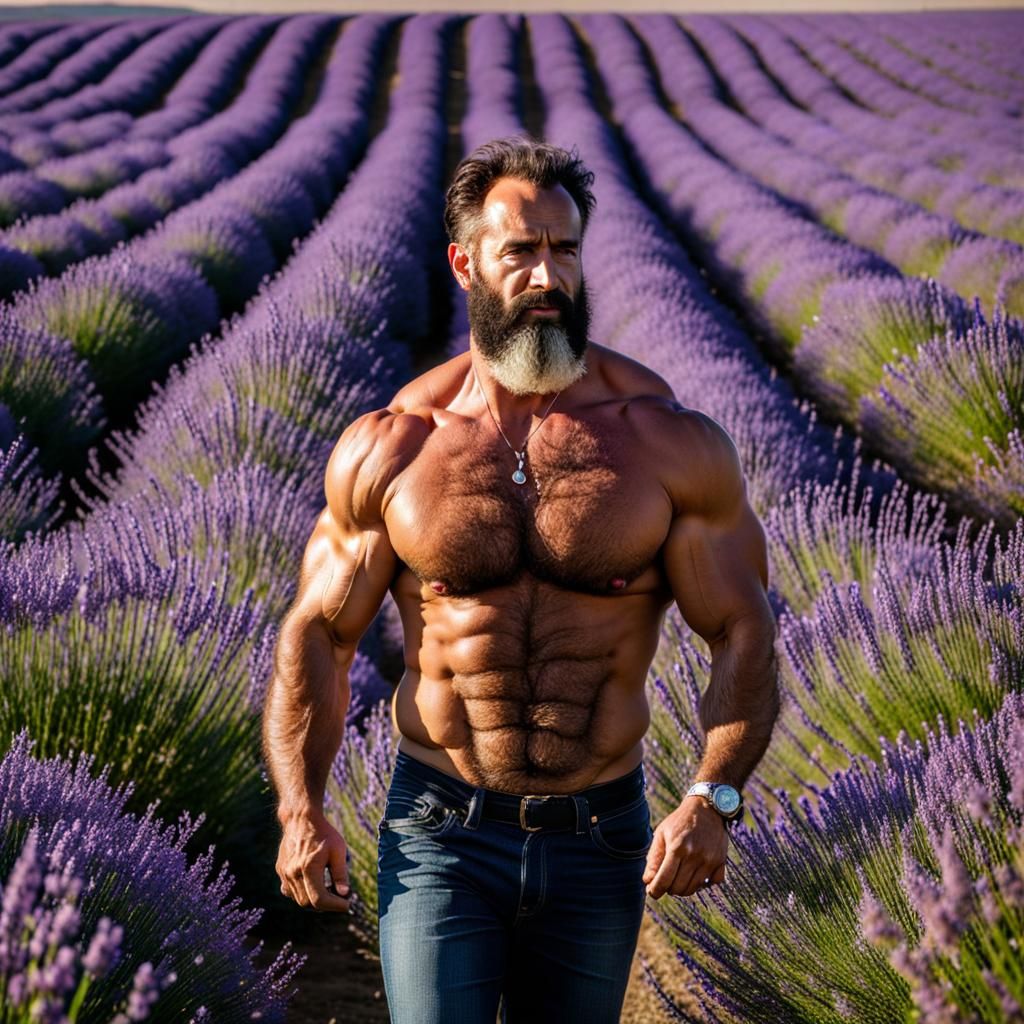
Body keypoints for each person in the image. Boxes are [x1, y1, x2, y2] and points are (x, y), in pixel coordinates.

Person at [262, 136, 779, 1023]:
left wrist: (714, 797)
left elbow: (743, 627)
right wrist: (299, 807)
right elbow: (319, 633)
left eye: (565, 250)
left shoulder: (662, 441)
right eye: (521, 252)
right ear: (465, 263)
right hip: (440, 834)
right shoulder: (397, 445)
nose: (548, 277)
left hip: (599, 835)